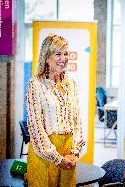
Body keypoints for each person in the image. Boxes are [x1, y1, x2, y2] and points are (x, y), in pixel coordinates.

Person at [26, 34, 84, 187]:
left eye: (65, 54)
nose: (63, 58)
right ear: (46, 57)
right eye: (58, 54)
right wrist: (57, 159)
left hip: (69, 154)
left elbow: (77, 121)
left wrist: (75, 151)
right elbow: (35, 127)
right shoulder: (35, 84)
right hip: (44, 154)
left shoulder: (70, 83)